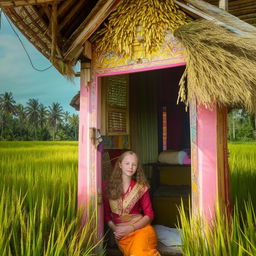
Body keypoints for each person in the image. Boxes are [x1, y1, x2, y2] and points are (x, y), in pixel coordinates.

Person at [103, 150, 161, 256]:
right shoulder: (107, 187)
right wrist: (116, 229)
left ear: (137, 167)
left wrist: (131, 228)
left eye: (134, 164)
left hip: (142, 230)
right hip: (123, 236)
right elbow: (106, 215)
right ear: (120, 164)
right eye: (127, 163)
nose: (130, 167)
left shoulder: (141, 187)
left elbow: (149, 215)